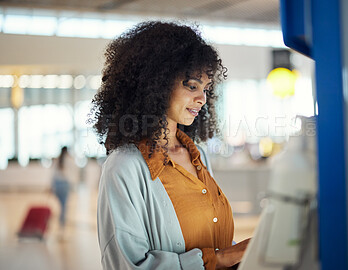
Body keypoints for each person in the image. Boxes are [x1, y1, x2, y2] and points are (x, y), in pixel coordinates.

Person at [90, 21, 250, 270]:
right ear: (158, 82)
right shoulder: (124, 167)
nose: (202, 98)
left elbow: (214, 241)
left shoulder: (200, 157)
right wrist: (218, 259)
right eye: (192, 85)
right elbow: (127, 264)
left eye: (206, 88)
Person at [52, 146, 72, 230]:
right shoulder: (69, 160)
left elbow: (53, 174)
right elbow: (71, 175)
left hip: (57, 184)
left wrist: (52, 186)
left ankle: (61, 222)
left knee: (61, 205)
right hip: (65, 184)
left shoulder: (57, 160)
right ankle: (62, 223)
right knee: (64, 206)